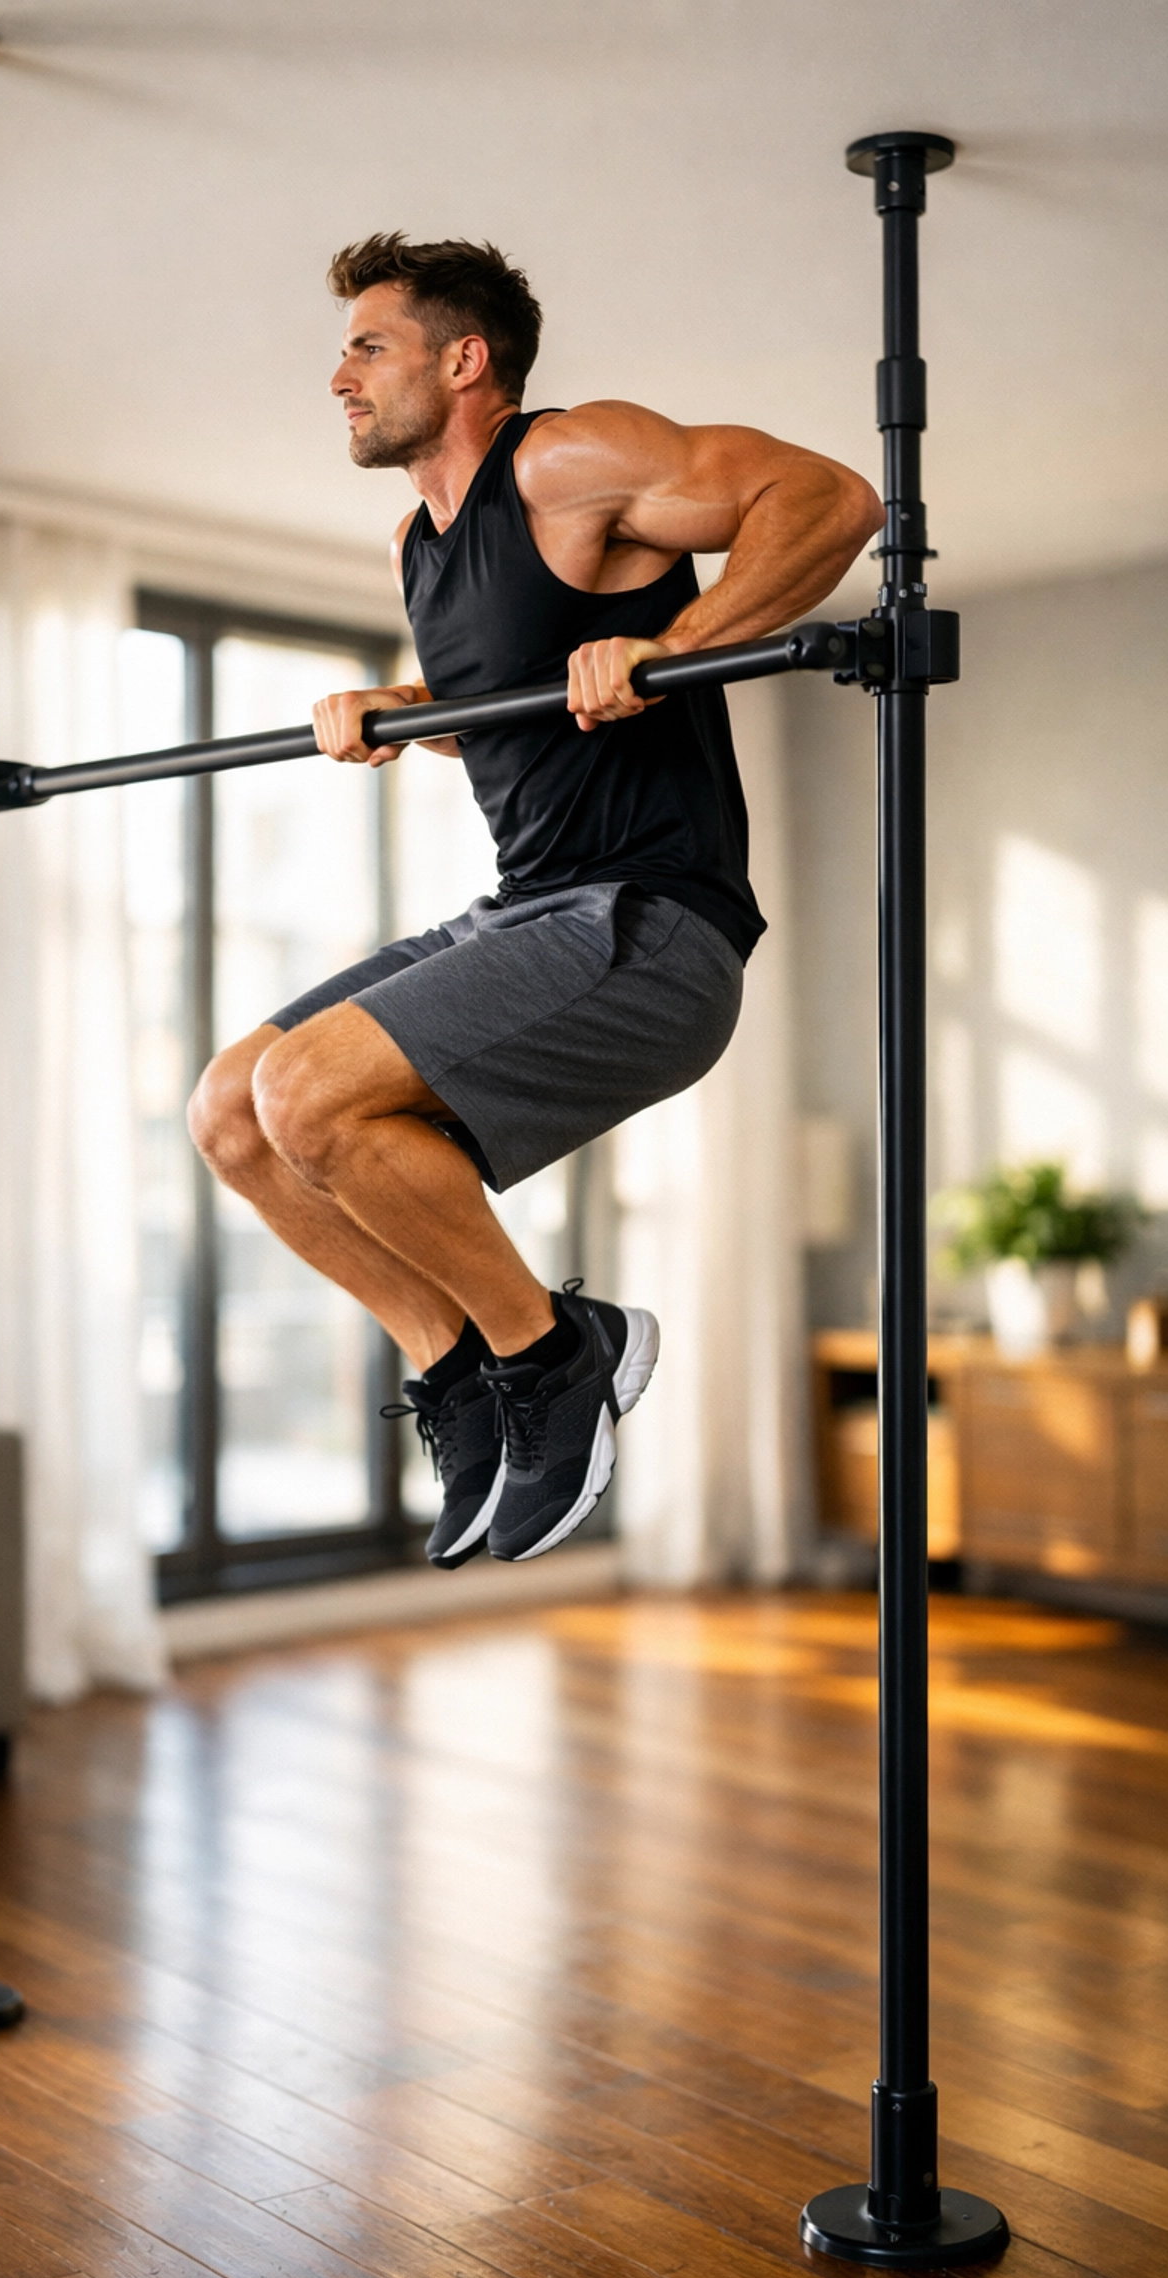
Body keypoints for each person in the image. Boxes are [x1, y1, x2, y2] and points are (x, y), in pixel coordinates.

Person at [189, 235, 881, 1569]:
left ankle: (557, 1355)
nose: (339, 376)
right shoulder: (418, 541)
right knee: (234, 1109)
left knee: (309, 1094)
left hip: (652, 927)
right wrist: (406, 711)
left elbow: (832, 498)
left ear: (465, 360)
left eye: (368, 346)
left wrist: (677, 646)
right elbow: (509, 699)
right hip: (528, 911)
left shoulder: (567, 460)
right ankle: (455, 1366)